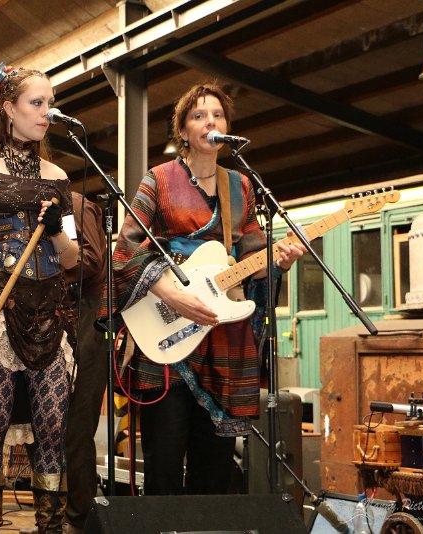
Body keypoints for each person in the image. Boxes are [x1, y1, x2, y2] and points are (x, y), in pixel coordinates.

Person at [110, 82, 305, 496]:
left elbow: (251, 253)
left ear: (227, 128)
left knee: (215, 469)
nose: (210, 122)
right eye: (198, 116)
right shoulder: (158, 179)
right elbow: (126, 249)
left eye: (217, 115)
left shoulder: (241, 185)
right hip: (166, 329)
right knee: (164, 465)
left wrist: (278, 261)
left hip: (221, 335)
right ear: (183, 130)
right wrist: (174, 296)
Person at [0, 59, 79, 534]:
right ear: (8, 108)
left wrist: (56, 231)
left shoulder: (58, 176)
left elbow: (70, 257)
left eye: (50, 103)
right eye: (37, 102)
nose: (47, 112)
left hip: (50, 306)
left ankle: (50, 528)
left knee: (52, 425)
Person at [62, 193, 108, 534]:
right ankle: (53, 515)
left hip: (85, 323)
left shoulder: (72, 203)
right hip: (50, 322)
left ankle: (79, 520)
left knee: (77, 429)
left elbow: (91, 261)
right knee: (44, 428)